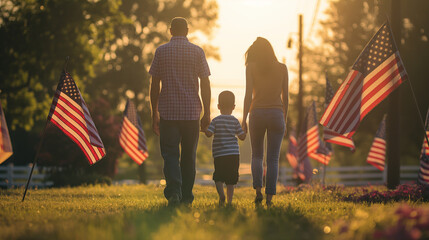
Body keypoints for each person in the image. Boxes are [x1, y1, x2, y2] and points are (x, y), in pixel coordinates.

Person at [149, 17, 211, 206]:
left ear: (170, 31)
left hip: (168, 112)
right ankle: (186, 197)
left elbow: (154, 85)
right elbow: (206, 83)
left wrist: (154, 113)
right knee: (188, 157)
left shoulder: (161, 51)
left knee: (170, 155)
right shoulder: (197, 52)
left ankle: (174, 192)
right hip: (192, 113)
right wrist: (207, 112)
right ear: (187, 30)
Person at [242, 37, 288, 207]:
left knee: (257, 155)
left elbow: (248, 95)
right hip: (277, 113)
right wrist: (285, 117)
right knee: (273, 159)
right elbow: (286, 96)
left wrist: (243, 119)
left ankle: (258, 192)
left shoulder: (251, 68)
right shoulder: (282, 68)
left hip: (257, 113)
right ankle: (269, 198)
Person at [205, 91, 246, 206]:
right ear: (233, 107)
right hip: (233, 154)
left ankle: (221, 196)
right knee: (231, 179)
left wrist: (204, 128)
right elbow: (242, 137)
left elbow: (209, 134)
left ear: (218, 106)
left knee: (218, 176)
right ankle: (229, 201)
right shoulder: (235, 121)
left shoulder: (216, 120)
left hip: (219, 155)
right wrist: (245, 130)